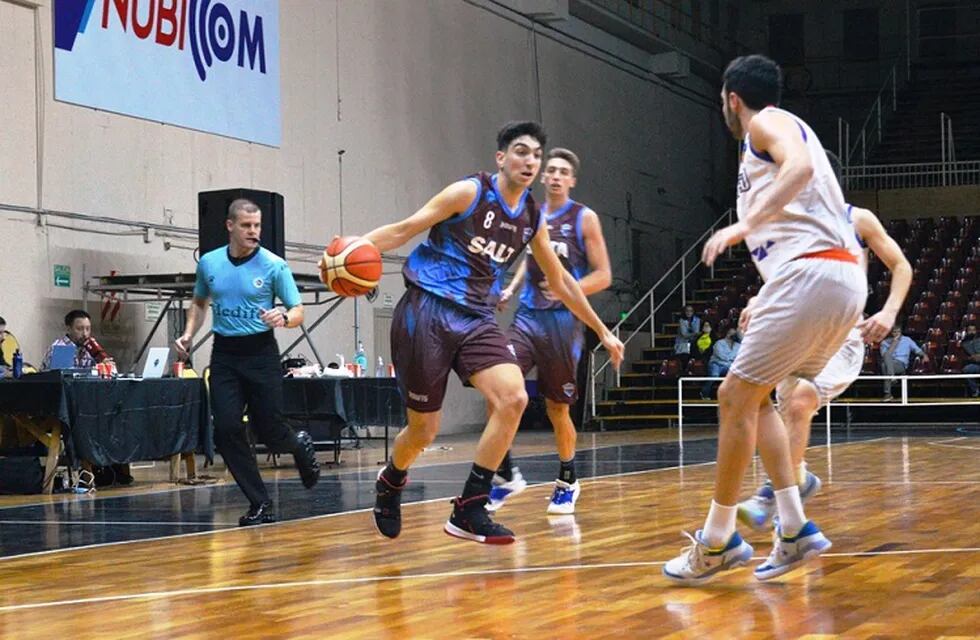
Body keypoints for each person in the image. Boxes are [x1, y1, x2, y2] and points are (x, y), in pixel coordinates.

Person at [360, 122, 623, 545]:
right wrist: (351, 249)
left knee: (514, 397)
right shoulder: (469, 192)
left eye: (536, 155)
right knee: (424, 430)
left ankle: (470, 506)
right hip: (427, 307)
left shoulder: (532, 217)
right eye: (521, 152)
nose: (531, 161)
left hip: (477, 316)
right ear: (501, 158)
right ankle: (391, 480)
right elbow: (405, 228)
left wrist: (602, 331)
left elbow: (562, 282)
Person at [663, 54, 866, 584]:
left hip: (816, 276)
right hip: (834, 280)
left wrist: (741, 226)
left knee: (733, 397)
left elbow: (797, 168)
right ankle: (796, 528)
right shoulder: (777, 132)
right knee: (760, 396)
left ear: (732, 97)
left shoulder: (766, 122)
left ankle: (716, 542)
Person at [738, 152, 913, 529]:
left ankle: (771, 492)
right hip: (795, 332)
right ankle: (797, 487)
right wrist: (758, 300)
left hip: (841, 334)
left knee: (800, 400)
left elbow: (901, 265)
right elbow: (782, 280)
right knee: (782, 410)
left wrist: (888, 311)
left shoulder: (857, 218)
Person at [175, 198, 320, 526]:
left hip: (261, 353)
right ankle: (260, 502)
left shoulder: (273, 265)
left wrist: (283, 316)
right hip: (225, 354)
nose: (253, 231)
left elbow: (298, 310)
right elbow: (199, 302)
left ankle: (297, 444)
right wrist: (187, 333)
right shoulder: (210, 263)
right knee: (226, 428)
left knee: (269, 429)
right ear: (230, 226)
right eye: (246, 226)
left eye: (257, 226)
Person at [488, 147, 612, 515]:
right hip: (526, 317)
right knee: (499, 385)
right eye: (551, 171)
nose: (556, 176)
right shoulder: (532, 213)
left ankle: (567, 479)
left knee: (558, 408)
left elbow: (604, 275)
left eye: (563, 172)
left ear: (572, 180)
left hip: (562, 323)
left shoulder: (584, 218)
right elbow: (533, 257)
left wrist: (567, 289)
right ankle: (506, 474)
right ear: (543, 177)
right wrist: (511, 288)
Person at [880, 325, 927, 400]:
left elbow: (916, 349)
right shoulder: (885, 342)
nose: (896, 334)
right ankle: (892, 377)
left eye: (898, 332)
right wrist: (894, 343)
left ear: (901, 332)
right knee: (886, 360)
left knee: (884, 366)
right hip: (889, 363)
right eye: (894, 332)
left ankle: (887, 394)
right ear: (891, 333)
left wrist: (924, 355)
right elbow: (885, 356)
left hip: (901, 364)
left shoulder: (907, 340)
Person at [701, 327, 738, 400]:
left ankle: (731, 396)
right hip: (716, 364)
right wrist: (731, 358)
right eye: (730, 333)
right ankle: (704, 393)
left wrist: (731, 359)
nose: (731, 335)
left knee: (736, 376)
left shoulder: (738, 345)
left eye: (733, 334)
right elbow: (721, 355)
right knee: (714, 375)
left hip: (730, 365)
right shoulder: (719, 343)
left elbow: (739, 356)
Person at [961, 325, 980, 398]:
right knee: (966, 370)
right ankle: (975, 390)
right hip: (975, 364)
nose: (972, 332)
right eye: (970, 330)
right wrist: (971, 358)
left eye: (973, 330)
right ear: (967, 332)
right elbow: (964, 357)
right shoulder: (964, 343)